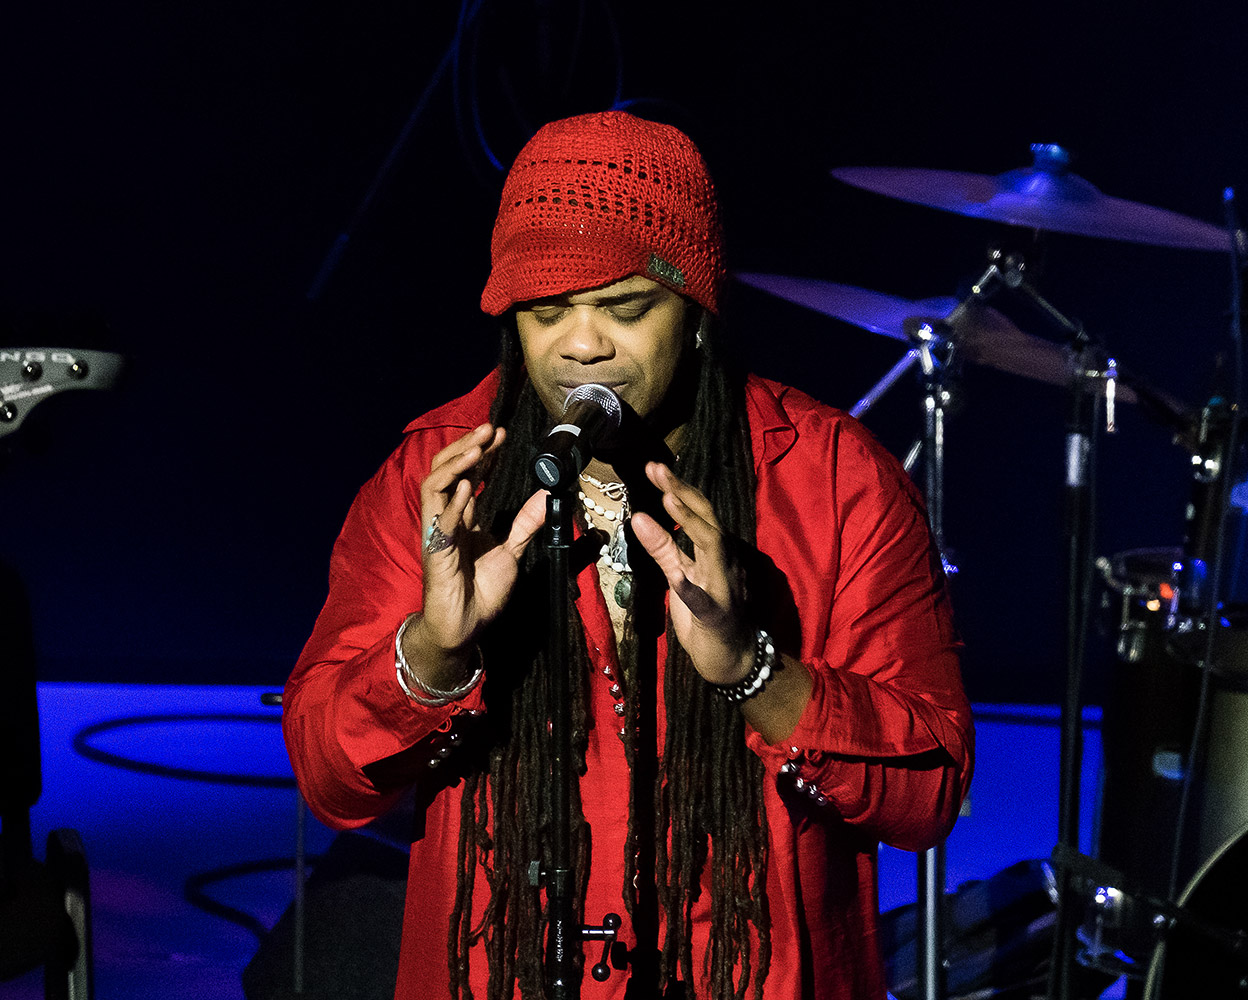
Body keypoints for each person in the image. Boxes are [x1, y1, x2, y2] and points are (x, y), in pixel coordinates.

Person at [282, 110, 973, 1000]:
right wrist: (431, 654)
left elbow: (928, 797)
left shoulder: (838, 481)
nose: (581, 345)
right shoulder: (437, 473)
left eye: (624, 308)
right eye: (546, 312)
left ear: (696, 311)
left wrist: (754, 671)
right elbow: (331, 782)